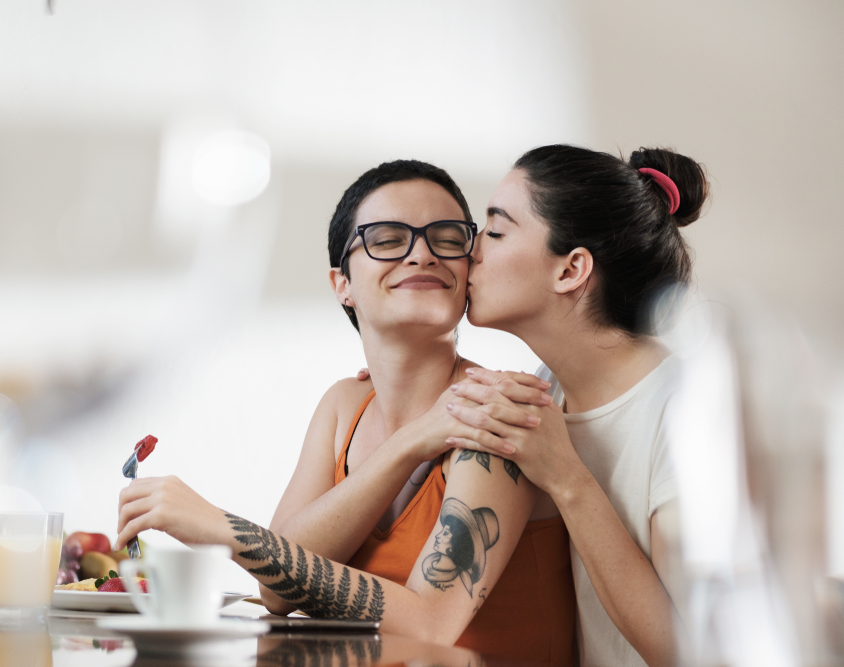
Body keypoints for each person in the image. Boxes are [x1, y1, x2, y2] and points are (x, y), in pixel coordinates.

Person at [115, 159, 576, 664]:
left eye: (446, 237)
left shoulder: (495, 410)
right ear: (343, 284)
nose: (421, 253)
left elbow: (430, 623)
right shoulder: (343, 408)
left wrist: (222, 528)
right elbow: (278, 593)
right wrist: (409, 444)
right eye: (386, 238)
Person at [439, 145, 708, 666]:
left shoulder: (685, 413)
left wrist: (567, 477)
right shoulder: (549, 388)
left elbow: (692, 653)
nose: (471, 251)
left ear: (571, 270)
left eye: (495, 232)